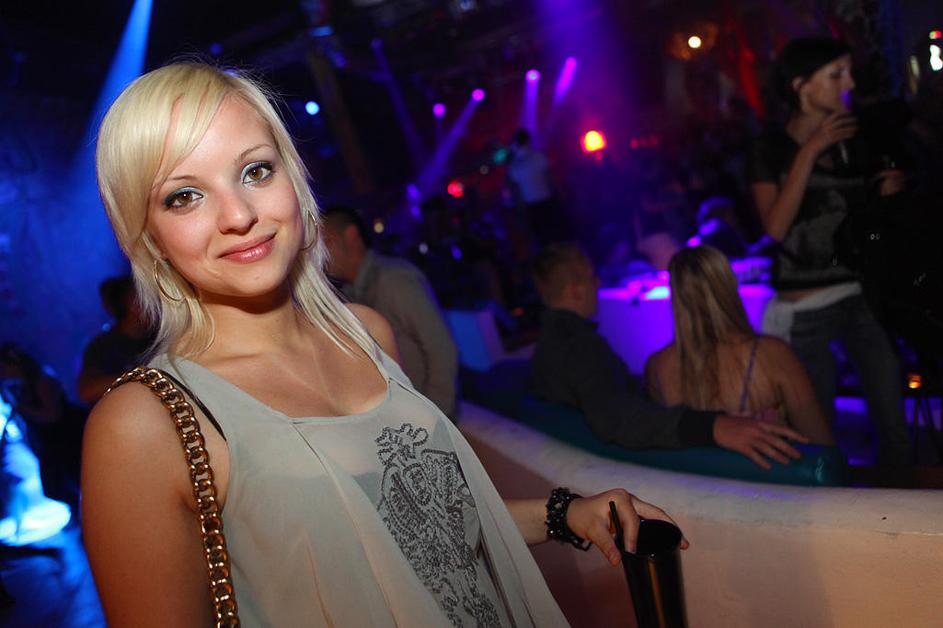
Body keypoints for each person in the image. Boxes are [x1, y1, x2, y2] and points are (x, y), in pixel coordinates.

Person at [82, 61, 688, 627]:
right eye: (184, 196)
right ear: (149, 238)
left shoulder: (367, 333)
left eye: (255, 170)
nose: (238, 214)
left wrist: (566, 513)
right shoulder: (143, 426)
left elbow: (420, 536)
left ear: (294, 178)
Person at [748, 36, 912, 465]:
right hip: (806, 306)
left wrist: (885, 195)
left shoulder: (853, 139)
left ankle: (902, 495)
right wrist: (809, 152)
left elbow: (857, 225)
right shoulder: (770, 148)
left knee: (893, 419)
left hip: (859, 293)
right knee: (817, 432)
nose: (850, 84)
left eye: (849, 72)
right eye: (837, 74)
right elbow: (776, 228)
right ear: (802, 87)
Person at [529, 243, 808, 469]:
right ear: (575, 291)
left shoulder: (550, 344)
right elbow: (616, 419)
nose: (598, 283)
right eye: (592, 277)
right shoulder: (581, 347)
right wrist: (715, 426)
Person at [645, 246, 834, 445]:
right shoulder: (773, 355)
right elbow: (822, 445)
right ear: (728, 286)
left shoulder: (657, 366)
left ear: (676, 296)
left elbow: (660, 445)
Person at [319, 205, 459, 419]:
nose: (320, 254)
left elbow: (441, 349)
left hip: (424, 419)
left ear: (351, 236)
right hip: (402, 420)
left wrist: (435, 419)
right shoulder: (350, 294)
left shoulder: (393, 280)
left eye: (326, 242)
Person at [77, 275, 153, 405]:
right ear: (132, 305)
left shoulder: (159, 336)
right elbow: (86, 391)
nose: (154, 303)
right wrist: (141, 376)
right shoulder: (102, 346)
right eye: (145, 296)